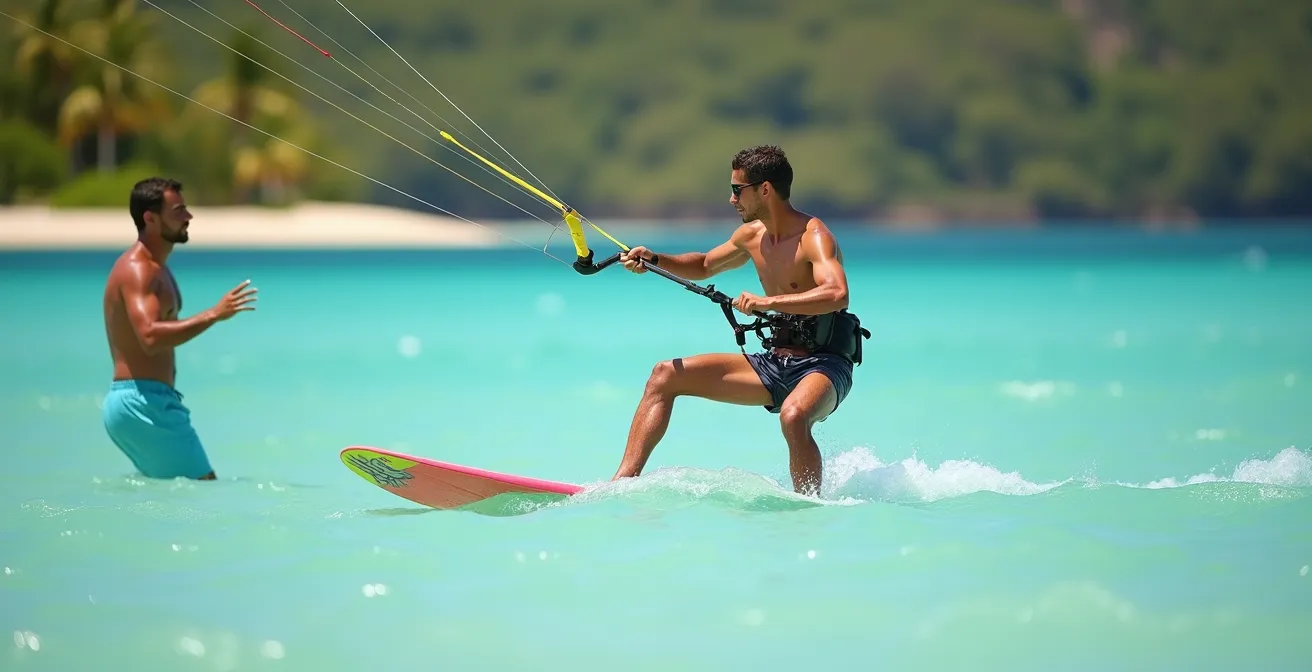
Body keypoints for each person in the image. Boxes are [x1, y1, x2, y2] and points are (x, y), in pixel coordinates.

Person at [610, 145, 868, 496]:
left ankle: (809, 506)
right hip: (777, 362)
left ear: (765, 189)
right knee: (664, 375)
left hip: (825, 365)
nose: (732, 200)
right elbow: (703, 265)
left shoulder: (814, 237)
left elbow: (838, 293)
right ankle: (622, 483)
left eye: (737, 190)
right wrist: (655, 258)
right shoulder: (752, 236)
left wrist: (769, 300)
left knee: (793, 416)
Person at [100, 177, 257, 480]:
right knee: (204, 489)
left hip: (144, 402)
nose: (188, 216)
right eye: (178, 210)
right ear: (150, 218)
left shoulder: (157, 267)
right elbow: (149, 336)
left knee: (175, 500)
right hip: (143, 403)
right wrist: (213, 314)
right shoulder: (138, 270)